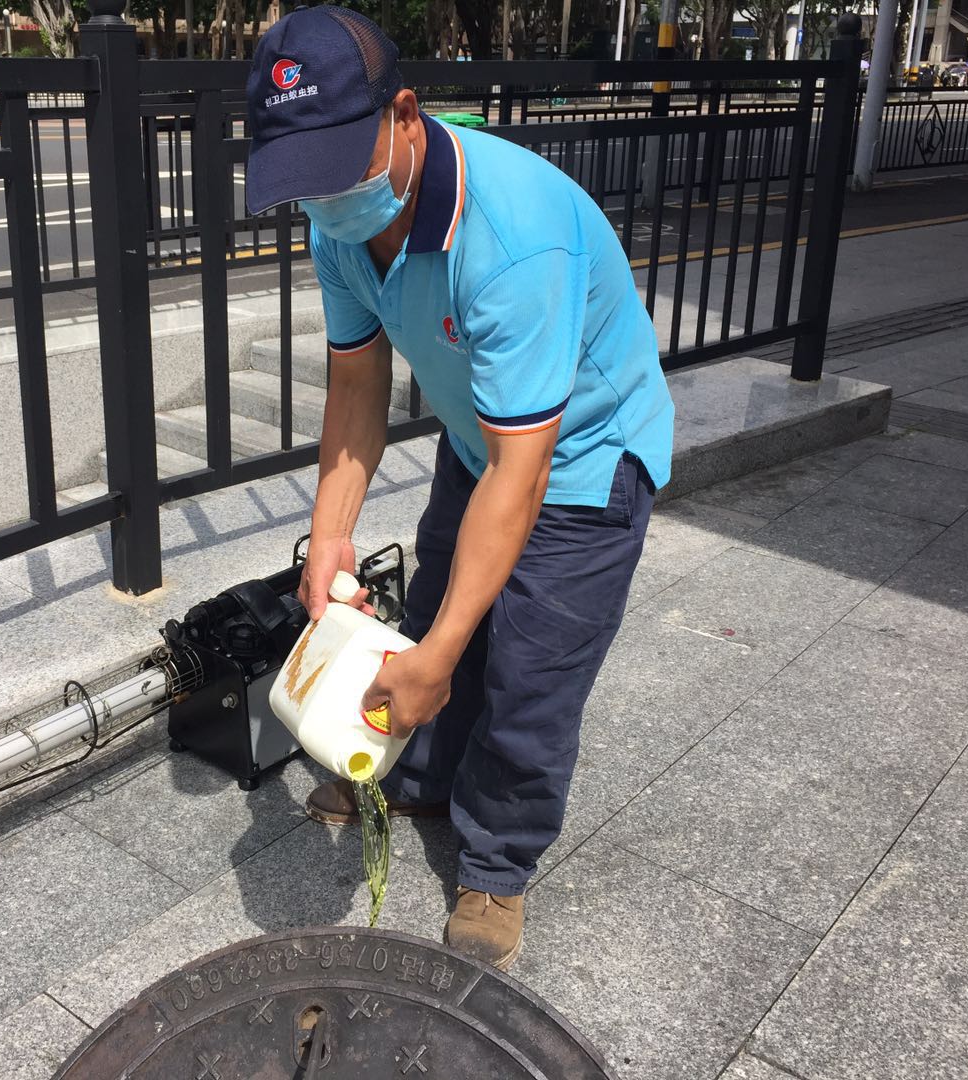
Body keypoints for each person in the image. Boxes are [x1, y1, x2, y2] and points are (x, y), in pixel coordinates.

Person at [244, 7, 674, 970]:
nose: (322, 199)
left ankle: (497, 862)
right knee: (439, 613)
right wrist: (330, 541)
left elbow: (529, 473)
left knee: (529, 674)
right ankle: (422, 775)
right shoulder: (342, 226)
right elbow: (356, 383)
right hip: (484, 436)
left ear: (403, 115)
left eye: (336, 168)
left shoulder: (513, 238)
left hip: (586, 459)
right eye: (301, 181)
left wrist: (439, 655)